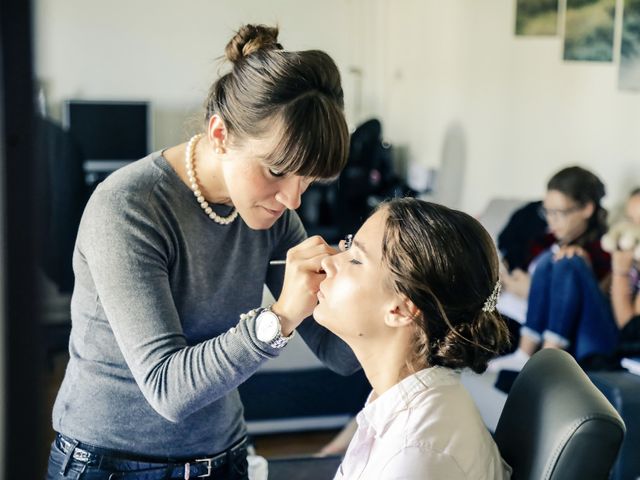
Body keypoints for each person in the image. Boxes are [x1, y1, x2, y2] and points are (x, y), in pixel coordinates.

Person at [46, 24, 359, 480]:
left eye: (307, 179)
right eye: (276, 170)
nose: (293, 199)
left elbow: (339, 355)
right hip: (111, 464)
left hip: (224, 456)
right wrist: (281, 317)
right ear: (219, 134)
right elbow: (167, 389)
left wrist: (379, 290)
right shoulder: (129, 207)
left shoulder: (275, 217)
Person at [313, 198, 512, 479]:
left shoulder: (413, 456)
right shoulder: (409, 401)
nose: (328, 261)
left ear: (401, 309)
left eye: (356, 259)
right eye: (347, 246)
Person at [489, 166, 617, 372]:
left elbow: (601, 306)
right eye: (547, 212)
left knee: (568, 260)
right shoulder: (547, 242)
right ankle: (525, 353)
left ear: (587, 209)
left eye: (559, 213)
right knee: (553, 257)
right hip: (527, 315)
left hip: (591, 338)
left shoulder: (605, 247)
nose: (551, 220)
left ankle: (547, 358)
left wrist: (584, 268)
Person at [610, 188, 640, 356]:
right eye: (630, 220)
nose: (634, 229)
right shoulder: (624, 248)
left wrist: (620, 272)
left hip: (623, 344)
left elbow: (629, 327)